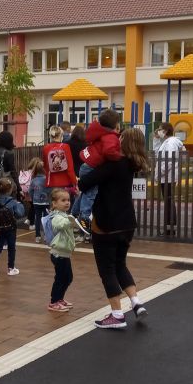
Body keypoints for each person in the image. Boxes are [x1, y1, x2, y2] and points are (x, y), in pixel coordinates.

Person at [78, 128, 150, 329]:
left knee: (107, 269)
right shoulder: (132, 164)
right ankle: (136, 302)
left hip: (107, 223)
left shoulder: (113, 164)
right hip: (127, 223)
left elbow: (85, 183)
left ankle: (117, 315)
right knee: (120, 264)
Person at [74, 109, 122, 232]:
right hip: (91, 167)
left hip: (86, 165)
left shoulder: (101, 134)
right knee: (90, 194)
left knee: (85, 192)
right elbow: (109, 151)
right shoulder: (111, 137)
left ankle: (74, 213)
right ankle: (84, 218)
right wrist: (119, 156)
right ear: (116, 124)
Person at [0, 178, 25, 277]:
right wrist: (20, 204)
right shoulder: (12, 202)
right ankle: (11, 268)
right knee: (11, 248)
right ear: (10, 190)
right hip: (11, 228)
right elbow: (20, 213)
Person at [45, 188, 76, 312]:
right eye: (63, 200)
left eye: (68, 200)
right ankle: (53, 302)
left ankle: (60, 299)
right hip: (58, 254)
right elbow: (60, 225)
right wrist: (71, 221)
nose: (67, 202)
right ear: (54, 203)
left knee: (68, 277)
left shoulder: (64, 215)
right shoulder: (56, 216)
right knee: (60, 278)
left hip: (64, 254)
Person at [153, 121, 185, 234]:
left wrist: (159, 173)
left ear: (165, 131)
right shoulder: (167, 142)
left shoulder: (171, 143)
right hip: (166, 176)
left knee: (169, 202)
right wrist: (156, 139)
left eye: (160, 129)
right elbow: (157, 153)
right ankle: (169, 227)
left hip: (168, 177)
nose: (158, 131)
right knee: (168, 201)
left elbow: (169, 161)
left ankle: (170, 227)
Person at [43, 125, 78, 192]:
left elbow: (45, 167)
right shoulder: (65, 147)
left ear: (50, 136)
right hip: (65, 183)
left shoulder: (46, 148)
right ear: (61, 135)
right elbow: (70, 168)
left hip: (50, 183)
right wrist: (75, 182)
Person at [29, 160, 49, 243]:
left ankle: (37, 236)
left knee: (37, 219)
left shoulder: (33, 180)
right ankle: (46, 236)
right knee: (46, 219)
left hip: (36, 202)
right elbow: (50, 190)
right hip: (46, 202)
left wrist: (33, 198)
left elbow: (30, 191)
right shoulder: (47, 179)